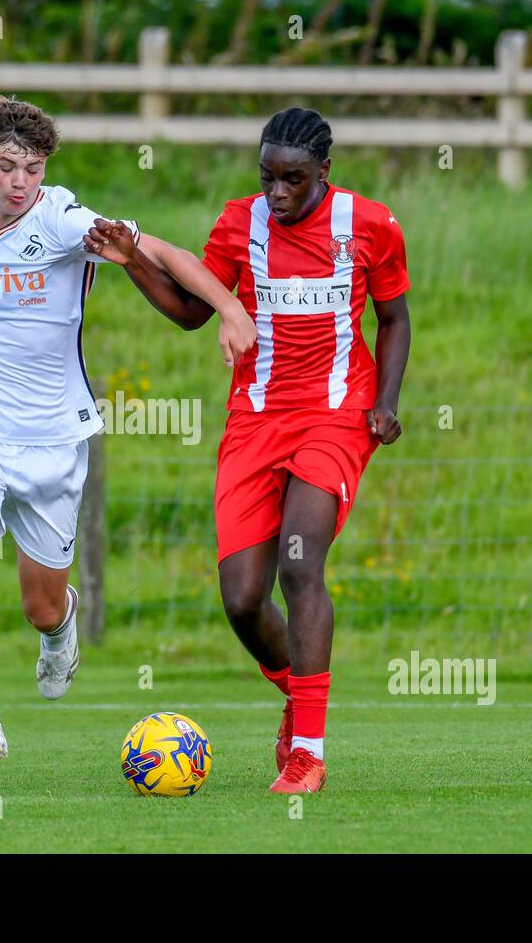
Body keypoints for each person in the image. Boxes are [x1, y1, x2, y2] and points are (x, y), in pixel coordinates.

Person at [0, 96, 255, 767]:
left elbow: (167, 252)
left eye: (32, 168)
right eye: (6, 167)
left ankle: (61, 630)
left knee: (39, 605)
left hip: (52, 438)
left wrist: (230, 308)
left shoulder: (64, 220)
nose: (20, 182)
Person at [84, 107, 411, 793]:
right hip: (254, 422)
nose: (278, 193)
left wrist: (385, 401)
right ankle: (299, 689)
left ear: (325, 172)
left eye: (293, 179)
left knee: (300, 566)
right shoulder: (240, 224)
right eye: (267, 177)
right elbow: (194, 311)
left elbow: (394, 318)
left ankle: (308, 755)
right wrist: (132, 262)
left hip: (334, 416)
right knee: (241, 600)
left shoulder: (370, 225)